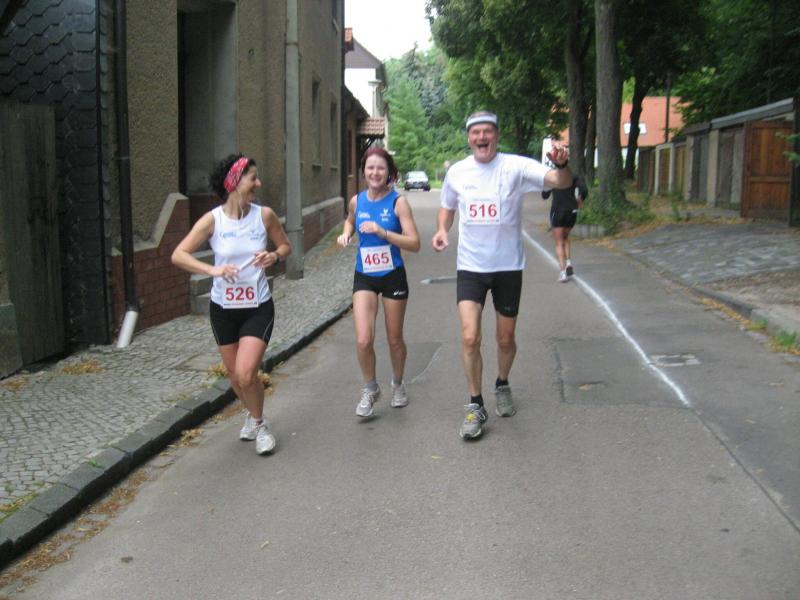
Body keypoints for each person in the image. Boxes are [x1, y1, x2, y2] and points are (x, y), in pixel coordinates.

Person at [432, 110, 572, 440]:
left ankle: (502, 383)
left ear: (496, 135)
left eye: (487, 131)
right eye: (475, 132)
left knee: (505, 339)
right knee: (470, 337)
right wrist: (442, 229)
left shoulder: (515, 167)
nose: (481, 137)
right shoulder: (458, 172)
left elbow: (560, 182)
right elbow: (447, 206)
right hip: (471, 267)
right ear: (469, 138)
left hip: (508, 266)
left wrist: (562, 165)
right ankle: (475, 403)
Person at [172, 154, 291, 455]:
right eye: (253, 178)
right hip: (223, 309)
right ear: (234, 182)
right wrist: (212, 270)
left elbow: (285, 246)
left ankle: (260, 425)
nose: (258, 183)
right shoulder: (213, 220)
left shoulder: (264, 216)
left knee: (247, 372)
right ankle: (252, 414)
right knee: (235, 376)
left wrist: (274, 256)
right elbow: (179, 254)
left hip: (257, 306)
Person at [337, 146, 421, 418]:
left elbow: (415, 243)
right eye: (370, 167)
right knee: (363, 339)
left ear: (389, 172)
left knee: (394, 339)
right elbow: (350, 220)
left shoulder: (399, 203)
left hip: (392, 275)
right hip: (365, 275)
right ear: (364, 171)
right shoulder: (356, 201)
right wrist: (346, 234)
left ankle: (397, 383)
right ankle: (371, 388)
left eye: (380, 168)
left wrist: (383, 232)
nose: (375, 172)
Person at [542, 175, 588, 282]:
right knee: (565, 238)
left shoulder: (553, 177)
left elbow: (544, 195)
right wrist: (580, 199)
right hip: (571, 212)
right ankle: (568, 263)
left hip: (557, 212)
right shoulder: (573, 176)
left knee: (559, 242)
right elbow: (584, 189)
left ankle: (563, 273)